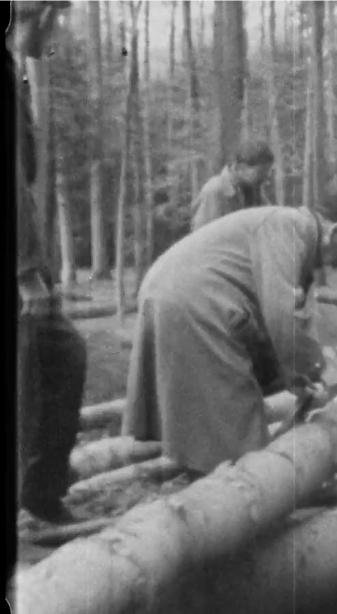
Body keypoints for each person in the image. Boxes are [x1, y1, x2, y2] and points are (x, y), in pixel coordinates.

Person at [122, 201, 337, 478]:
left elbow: (274, 318)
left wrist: (297, 375)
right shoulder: (290, 227)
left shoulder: (286, 230)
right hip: (194, 301)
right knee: (241, 435)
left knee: (214, 417)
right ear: (336, 231)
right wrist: (318, 367)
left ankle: (206, 479)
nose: (335, 264)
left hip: (169, 293)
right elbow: (280, 317)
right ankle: (232, 488)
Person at [10, 0, 88, 526]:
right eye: (56, 20)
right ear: (38, 18)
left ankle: (41, 492)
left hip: (28, 265)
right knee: (24, 390)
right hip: (19, 270)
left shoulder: (17, 77)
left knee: (66, 357)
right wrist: (25, 273)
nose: (57, 32)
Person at [190, 141, 275, 231]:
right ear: (240, 168)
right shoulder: (215, 191)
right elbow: (203, 235)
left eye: (267, 171)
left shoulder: (252, 188)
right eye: (261, 171)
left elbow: (269, 218)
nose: (267, 175)